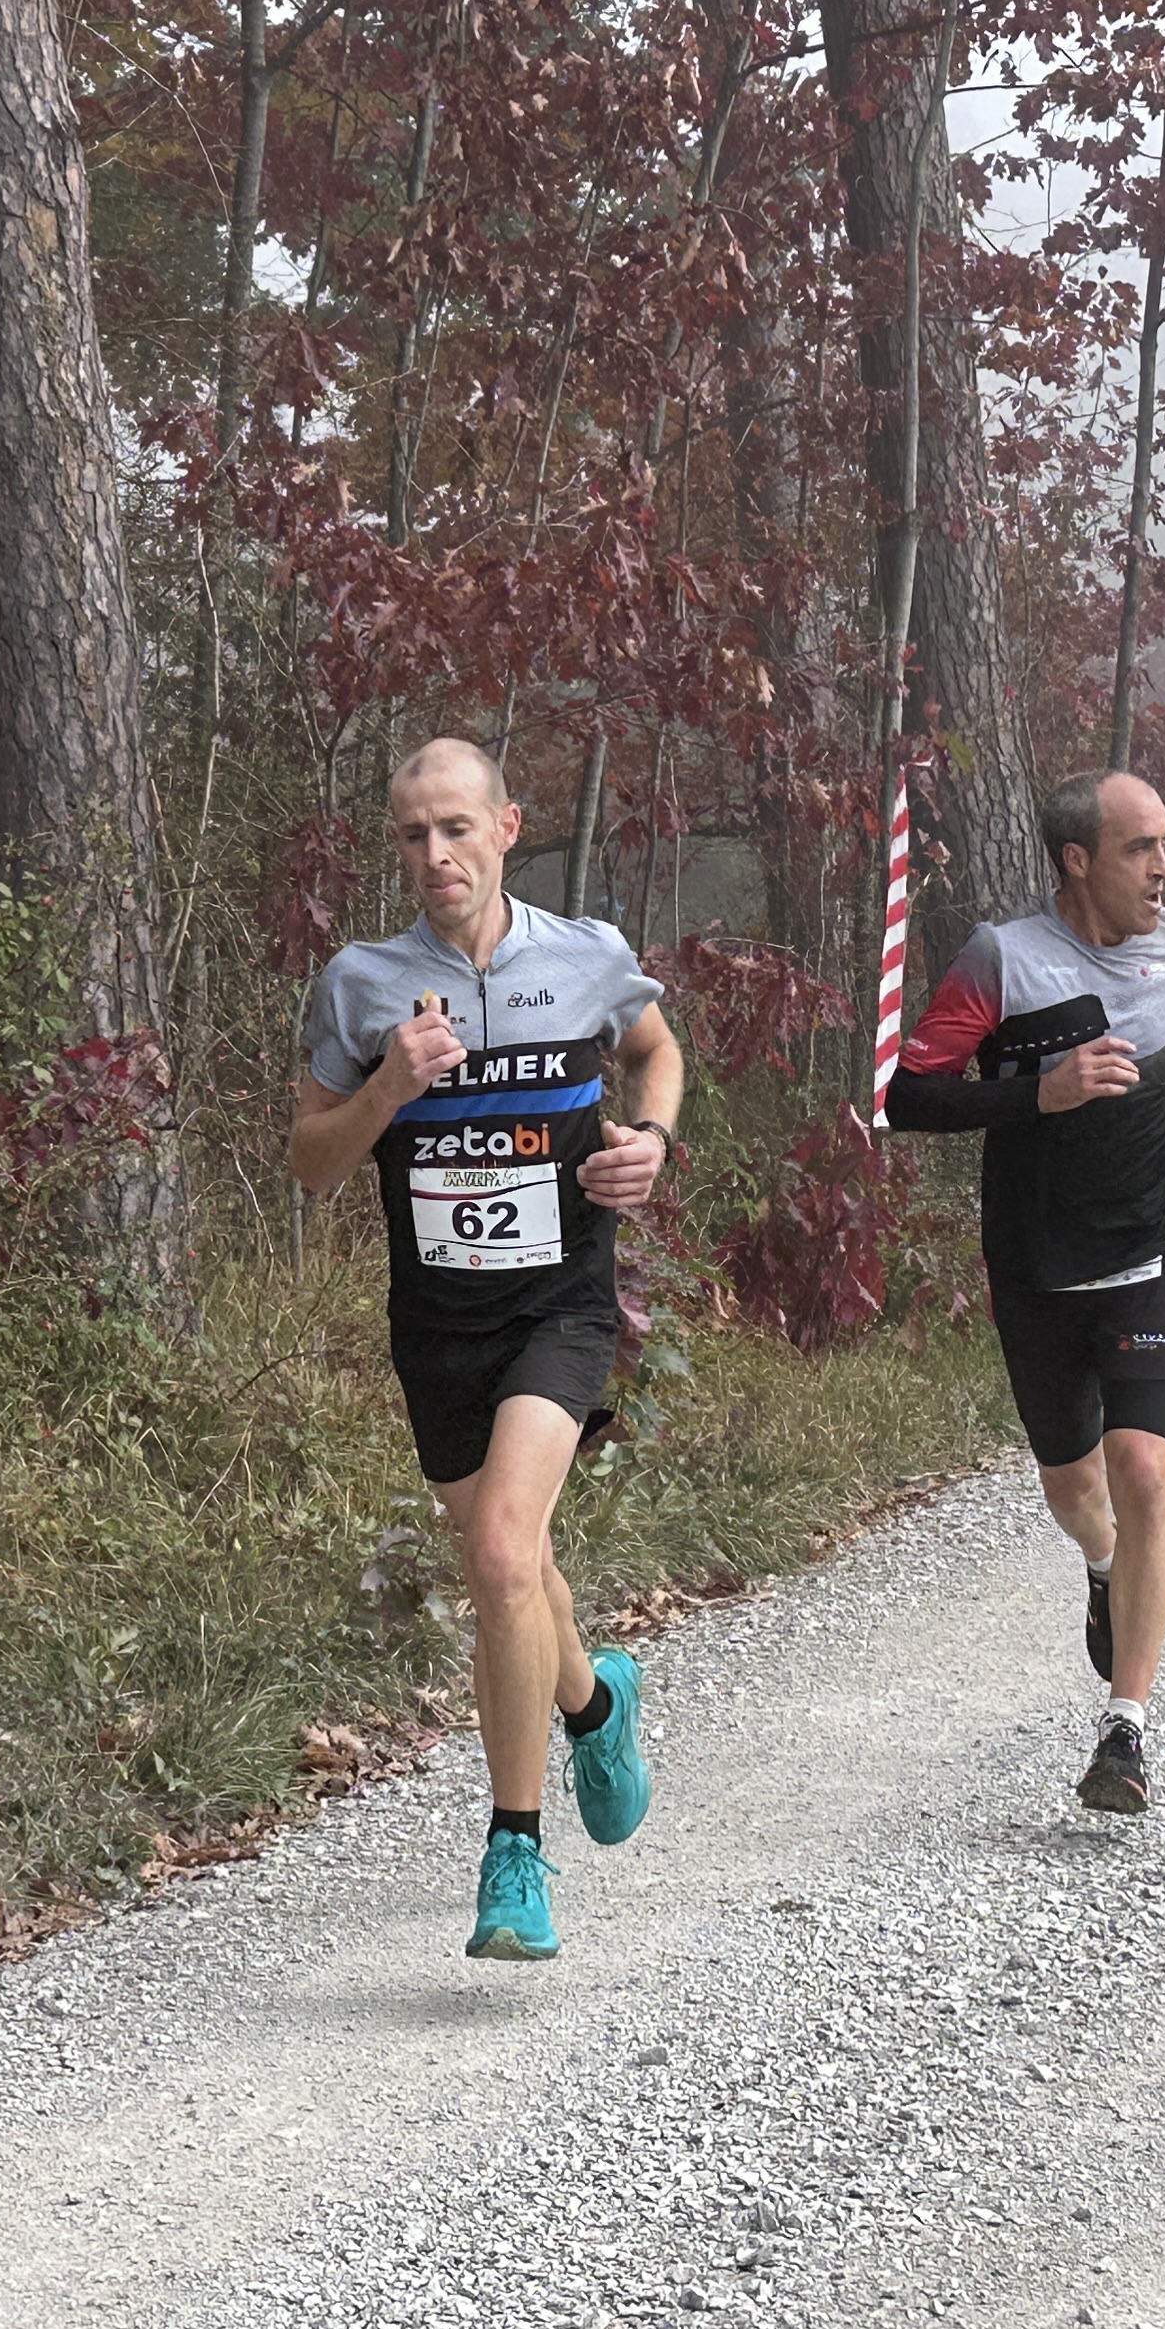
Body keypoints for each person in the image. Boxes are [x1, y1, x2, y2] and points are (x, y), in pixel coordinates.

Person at [291, 738, 682, 1963]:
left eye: (457, 827)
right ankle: (594, 1699)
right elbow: (310, 1161)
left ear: (508, 827)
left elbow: (655, 1050)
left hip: (560, 1305)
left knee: (505, 1553)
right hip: (438, 1322)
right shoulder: (361, 985)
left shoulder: (585, 955)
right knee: (510, 1563)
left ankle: (514, 1854)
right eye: (414, 834)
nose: (437, 854)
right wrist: (385, 1092)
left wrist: (653, 1139)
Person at [890, 770, 1165, 1817]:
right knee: (1075, 1489)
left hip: (1156, 1251)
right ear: (1078, 860)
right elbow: (910, 1095)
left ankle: (1123, 1731)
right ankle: (1101, 1564)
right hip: (1039, 1266)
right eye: (1142, 848)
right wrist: (1035, 1094)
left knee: (1143, 1467)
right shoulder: (1003, 960)